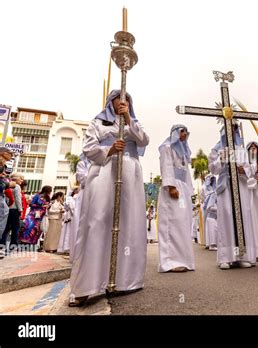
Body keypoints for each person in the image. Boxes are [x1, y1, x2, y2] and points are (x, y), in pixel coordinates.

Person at [69, 90, 149, 306]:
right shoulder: (98, 122)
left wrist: (129, 119)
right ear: (110, 101)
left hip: (130, 174)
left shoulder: (134, 122)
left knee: (128, 224)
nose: (122, 102)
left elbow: (143, 140)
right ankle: (87, 285)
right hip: (104, 171)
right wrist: (110, 149)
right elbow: (88, 148)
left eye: (127, 99)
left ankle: (124, 279)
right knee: (98, 221)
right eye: (118, 98)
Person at [208, 122, 256, 270]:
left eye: (235, 127)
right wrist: (222, 159)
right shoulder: (217, 149)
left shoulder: (241, 149)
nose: (233, 130)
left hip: (241, 187)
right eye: (230, 127)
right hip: (226, 187)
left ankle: (241, 255)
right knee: (228, 217)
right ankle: (226, 257)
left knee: (242, 218)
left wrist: (244, 170)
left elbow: (250, 168)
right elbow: (213, 169)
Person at [157, 125, 195, 273]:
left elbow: (186, 174)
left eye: (186, 131)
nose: (184, 134)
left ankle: (183, 259)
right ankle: (170, 261)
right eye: (182, 131)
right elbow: (166, 167)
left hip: (183, 190)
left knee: (183, 223)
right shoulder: (166, 147)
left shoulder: (184, 151)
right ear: (175, 133)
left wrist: (188, 191)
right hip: (172, 188)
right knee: (172, 222)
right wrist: (171, 186)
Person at [69, 154, 91, 262]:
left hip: (98, 195)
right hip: (85, 196)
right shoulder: (82, 164)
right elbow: (83, 179)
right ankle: (79, 256)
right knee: (81, 223)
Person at [202, 174, 218, 251]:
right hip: (208, 209)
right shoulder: (204, 188)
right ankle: (210, 243)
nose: (211, 181)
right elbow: (204, 196)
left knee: (213, 227)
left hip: (213, 210)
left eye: (213, 179)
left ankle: (211, 243)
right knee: (210, 226)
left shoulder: (214, 190)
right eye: (210, 179)